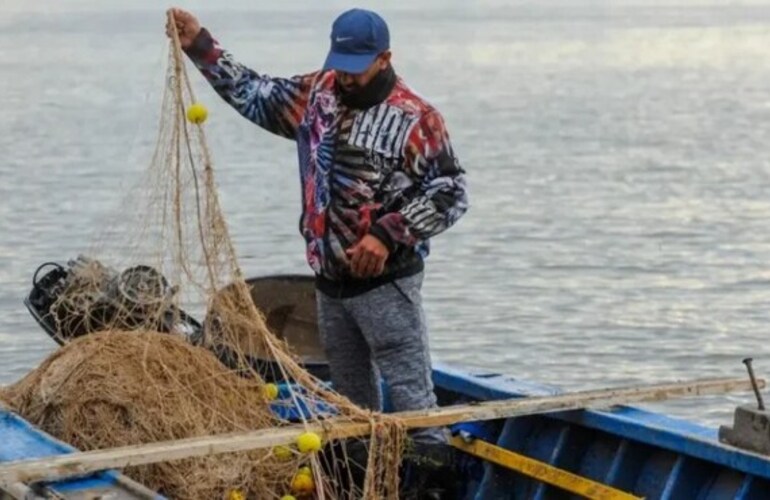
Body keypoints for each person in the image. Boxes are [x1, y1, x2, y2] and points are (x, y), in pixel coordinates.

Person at [167, 5, 468, 455]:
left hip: (388, 286)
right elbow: (256, 93)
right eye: (340, 68)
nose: (346, 79)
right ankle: (360, 475)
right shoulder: (318, 95)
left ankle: (429, 479)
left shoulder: (415, 118)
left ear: (384, 59)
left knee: (413, 404)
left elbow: (452, 192)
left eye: (357, 70)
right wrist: (200, 46)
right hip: (330, 285)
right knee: (349, 407)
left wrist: (388, 234)